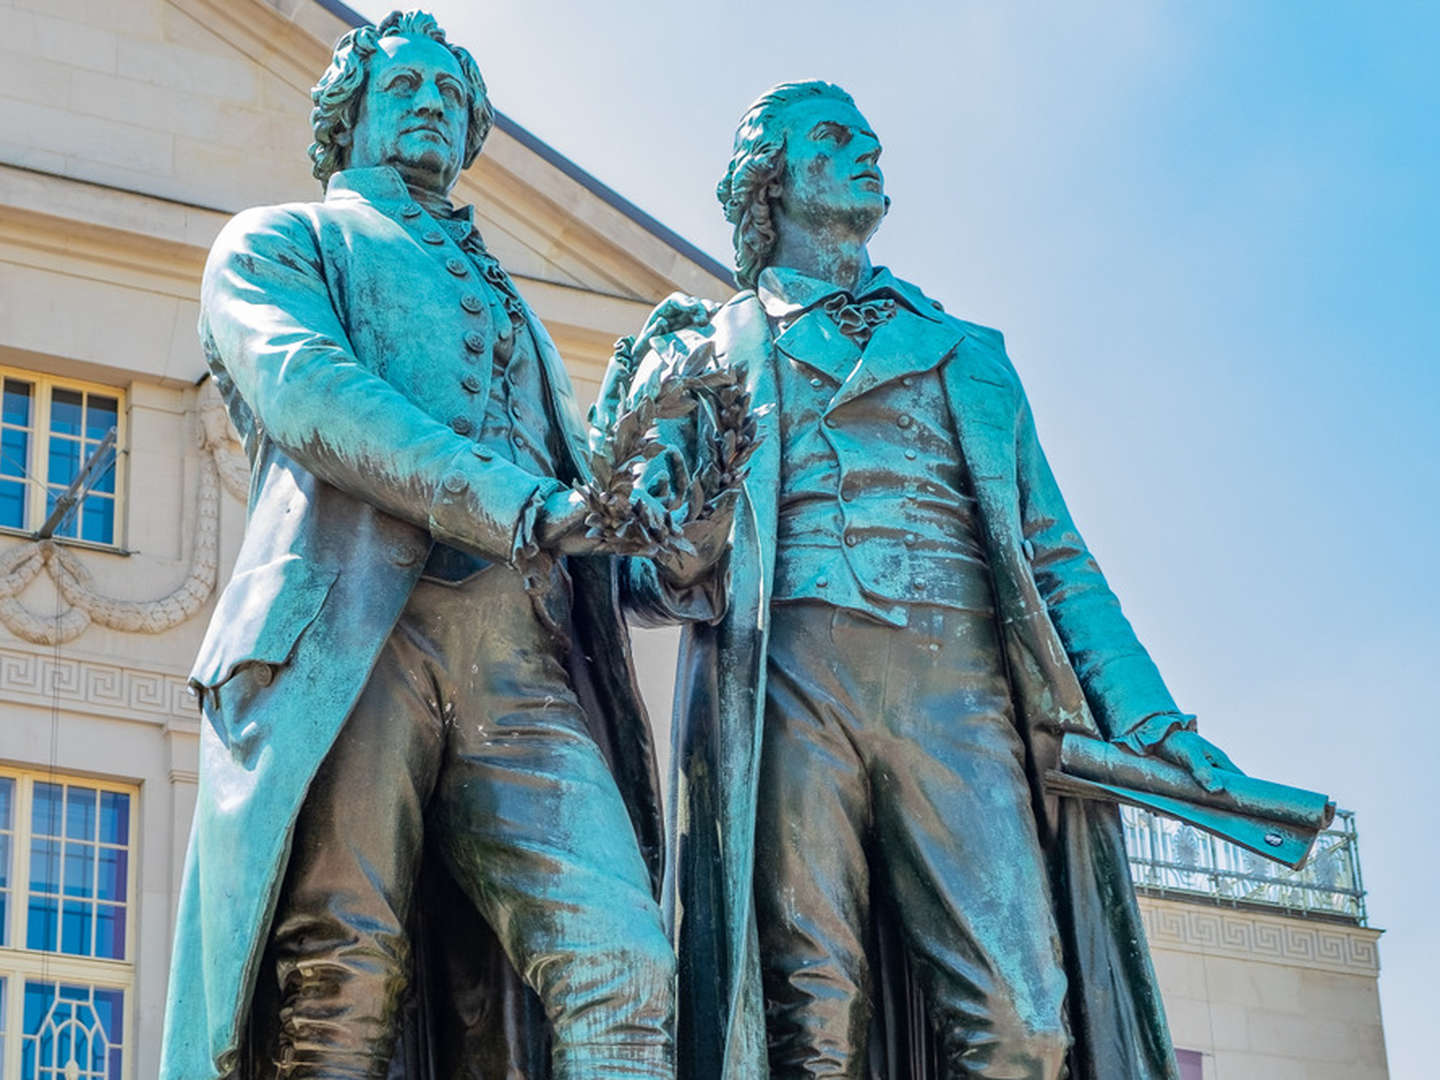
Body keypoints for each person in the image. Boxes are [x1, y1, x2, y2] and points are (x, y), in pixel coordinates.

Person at [631, 80, 1242, 1080]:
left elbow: (1059, 563)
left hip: (956, 701)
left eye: (868, 133)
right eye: (836, 136)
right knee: (808, 1030)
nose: (871, 146)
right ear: (769, 181)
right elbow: (647, 581)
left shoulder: (970, 356)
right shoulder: (708, 355)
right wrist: (674, 517)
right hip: (790, 698)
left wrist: (1158, 725)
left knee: (1028, 1027)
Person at [160, 12, 719, 1078]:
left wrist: (679, 531)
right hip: (351, 636)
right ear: (349, 114)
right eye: (405, 86)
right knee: (338, 974)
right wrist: (517, 500)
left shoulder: (525, 319)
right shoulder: (282, 243)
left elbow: (588, 526)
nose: (432, 105)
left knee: (625, 961)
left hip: (521, 661)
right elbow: (316, 395)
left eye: (451, 97)